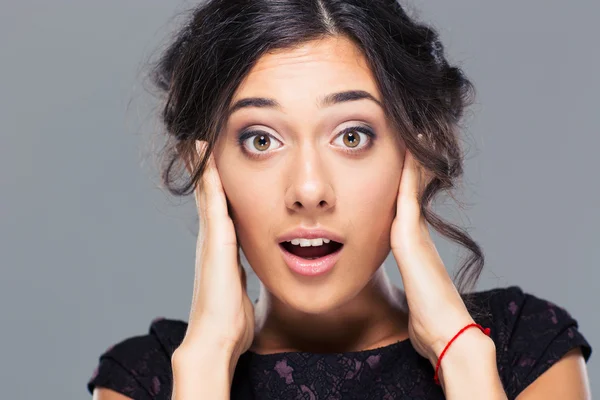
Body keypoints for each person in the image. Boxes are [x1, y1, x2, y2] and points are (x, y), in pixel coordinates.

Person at [87, 0, 593, 398]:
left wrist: (458, 353)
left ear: (415, 149)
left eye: (352, 136)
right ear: (206, 165)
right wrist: (206, 363)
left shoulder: (526, 350)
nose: (309, 191)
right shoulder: (146, 379)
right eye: (261, 139)